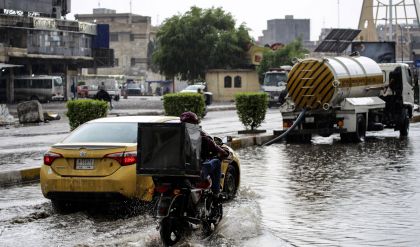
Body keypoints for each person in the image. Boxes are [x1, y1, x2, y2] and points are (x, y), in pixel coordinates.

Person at [180, 111, 228, 196]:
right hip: (194, 173)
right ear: (195, 124)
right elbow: (220, 151)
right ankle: (216, 193)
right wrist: (225, 152)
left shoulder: (173, 136)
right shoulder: (202, 136)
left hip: (172, 172)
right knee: (216, 161)